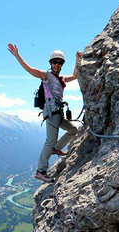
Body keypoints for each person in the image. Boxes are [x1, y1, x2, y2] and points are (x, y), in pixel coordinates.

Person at [8, 43, 82, 183]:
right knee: (50, 140)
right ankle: (41, 171)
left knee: (73, 130)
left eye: (59, 62)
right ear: (51, 63)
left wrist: (77, 60)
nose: (57, 65)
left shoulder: (62, 79)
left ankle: (56, 149)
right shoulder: (46, 76)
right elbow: (29, 69)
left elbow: (75, 75)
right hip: (51, 112)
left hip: (58, 112)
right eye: (54, 62)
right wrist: (17, 55)